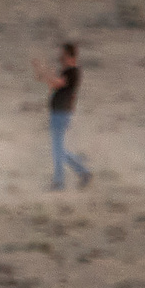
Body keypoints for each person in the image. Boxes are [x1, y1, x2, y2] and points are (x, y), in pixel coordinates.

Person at [31, 42, 92, 190]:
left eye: (63, 55)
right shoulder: (68, 72)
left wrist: (45, 72)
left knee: (58, 149)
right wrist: (43, 72)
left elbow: (57, 83)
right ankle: (82, 172)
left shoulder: (72, 72)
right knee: (59, 149)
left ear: (70, 56)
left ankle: (60, 182)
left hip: (61, 113)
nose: (61, 58)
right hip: (59, 112)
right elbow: (52, 84)